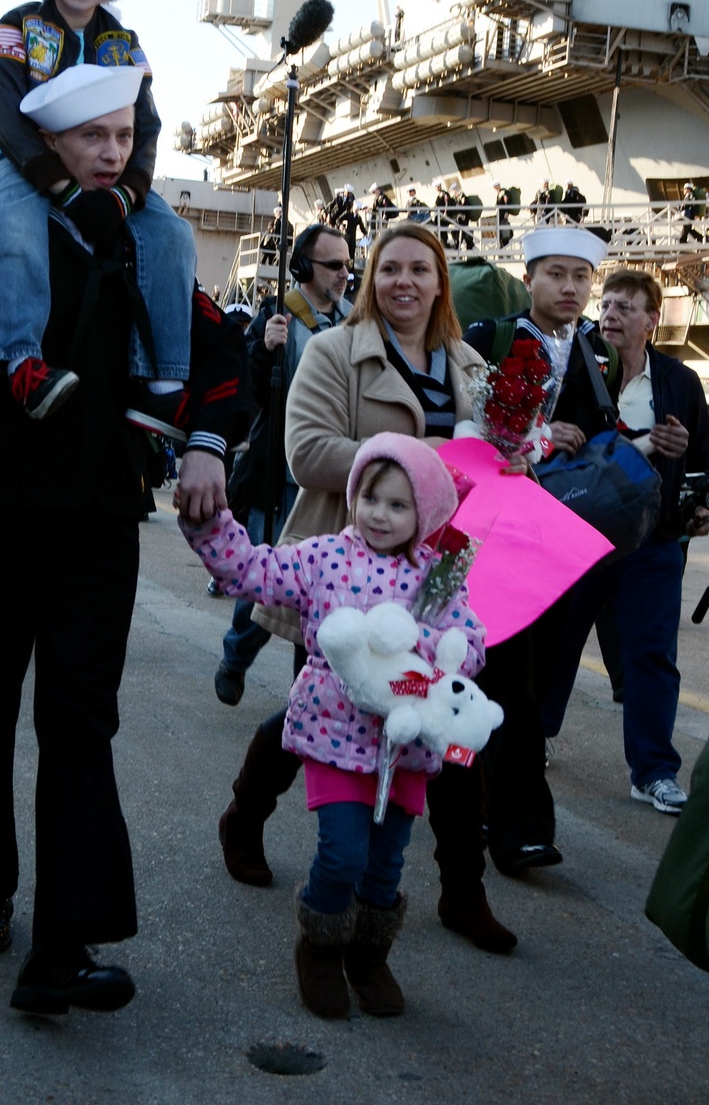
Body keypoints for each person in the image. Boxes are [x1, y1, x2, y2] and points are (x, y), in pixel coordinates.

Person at [0, 64, 251, 1016]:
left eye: (123, 136)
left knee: (82, 722)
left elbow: (221, 358)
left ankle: (66, 943)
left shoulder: (151, 252)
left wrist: (207, 440)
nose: (110, 152)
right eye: (90, 136)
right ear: (49, 145)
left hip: (99, 524)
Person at [220, 222, 518, 956]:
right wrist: (426, 465)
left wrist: (518, 453)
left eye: (422, 269)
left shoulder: (471, 366)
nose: (405, 283)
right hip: (343, 573)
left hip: (440, 578)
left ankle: (460, 887)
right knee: (319, 720)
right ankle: (245, 812)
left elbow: (490, 469)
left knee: (443, 730)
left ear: (441, 283)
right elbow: (307, 452)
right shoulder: (331, 353)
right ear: (369, 279)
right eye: (390, 269)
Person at [183, 433, 485, 1018]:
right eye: (371, 498)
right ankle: (320, 948)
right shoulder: (325, 556)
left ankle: (369, 956)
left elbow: (469, 645)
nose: (379, 514)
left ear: (425, 511)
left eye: (399, 506)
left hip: (406, 749)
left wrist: (420, 645)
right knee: (343, 852)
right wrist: (209, 526)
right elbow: (255, 572)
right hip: (334, 734)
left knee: (386, 863)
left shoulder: (439, 579)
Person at [0, 0, 196, 428]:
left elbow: (144, 127)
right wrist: (60, 187)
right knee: (13, 222)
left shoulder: (126, 46)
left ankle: (162, 382)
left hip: (105, 164)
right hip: (19, 157)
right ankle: (22, 364)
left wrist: (125, 197)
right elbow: (2, 112)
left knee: (171, 234)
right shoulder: (16, 26)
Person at [538, 270, 709, 814]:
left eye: (627, 307)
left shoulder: (679, 382)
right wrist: (561, 438)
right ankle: (535, 739)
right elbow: (541, 447)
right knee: (557, 649)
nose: (613, 314)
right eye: (609, 304)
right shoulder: (576, 371)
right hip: (579, 537)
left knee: (653, 659)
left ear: (652, 320)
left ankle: (653, 771)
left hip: (653, 542)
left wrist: (700, 505)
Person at [464, 225, 613, 873]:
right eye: (557, 273)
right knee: (488, 674)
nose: (570, 288)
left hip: (558, 540)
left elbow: (606, 432)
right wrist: (538, 434)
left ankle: (501, 813)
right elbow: (460, 429)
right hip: (487, 534)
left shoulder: (595, 351)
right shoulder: (492, 339)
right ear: (530, 278)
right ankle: (507, 821)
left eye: (581, 277)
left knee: (533, 678)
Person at [213, 224, 352, 706]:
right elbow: (244, 392)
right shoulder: (276, 316)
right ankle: (235, 657)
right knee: (265, 588)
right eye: (334, 265)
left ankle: (306, 696)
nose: (344, 274)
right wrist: (262, 349)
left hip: (334, 479)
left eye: (347, 264)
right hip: (282, 477)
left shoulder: (357, 321)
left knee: (321, 594)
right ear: (302, 268)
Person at [493, 182, 515, 248]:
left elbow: (506, 202)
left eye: (495, 187)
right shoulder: (499, 193)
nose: (495, 189)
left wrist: (507, 212)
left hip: (503, 213)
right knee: (500, 228)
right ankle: (501, 244)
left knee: (503, 227)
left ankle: (504, 243)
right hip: (500, 213)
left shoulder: (504, 192)